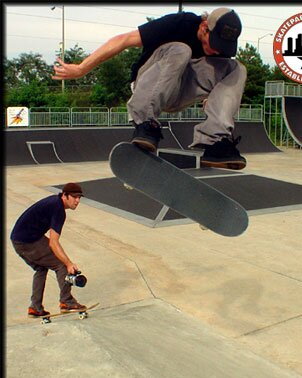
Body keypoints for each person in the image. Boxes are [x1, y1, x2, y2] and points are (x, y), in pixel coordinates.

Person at [52, 7, 247, 170]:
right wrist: (82, 68)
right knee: (182, 50)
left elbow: (220, 81)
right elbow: (124, 39)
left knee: (236, 68)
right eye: (213, 44)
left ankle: (215, 142)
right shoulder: (180, 23)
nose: (215, 51)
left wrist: (214, 100)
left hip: (179, 92)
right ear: (204, 27)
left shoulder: (219, 49)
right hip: (148, 84)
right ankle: (145, 122)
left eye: (222, 48)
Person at [10, 183, 86, 317]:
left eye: (79, 197)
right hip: (27, 242)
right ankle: (67, 302)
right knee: (61, 264)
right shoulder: (58, 209)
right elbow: (53, 242)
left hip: (21, 239)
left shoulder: (54, 203)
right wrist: (68, 263)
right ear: (65, 196)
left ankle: (35, 308)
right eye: (74, 197)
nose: (77, 201)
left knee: (41, 268)